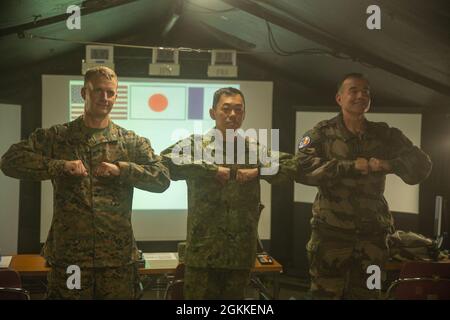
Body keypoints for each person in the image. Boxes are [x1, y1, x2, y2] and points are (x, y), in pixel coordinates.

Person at [0, 66, 170, 299]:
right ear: (83, 94)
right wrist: (59, 166)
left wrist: (122, 169)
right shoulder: (58, 136)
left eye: (111, 93)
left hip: (116, 261)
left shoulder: (130, 142)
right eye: (98, 91)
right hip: (71, 258)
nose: (105, 98)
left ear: (116, 96)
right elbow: (10, 161)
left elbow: (162, 179)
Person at [294, 73, 432, 299]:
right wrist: (349, 167)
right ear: (339, 98)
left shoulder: (385, 134)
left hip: (374, 239)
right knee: (324, 295)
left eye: (366, 91)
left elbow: (422, 165)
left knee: (371, 293)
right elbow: (300, 168)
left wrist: (390, 164)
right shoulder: (321, 133)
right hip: (331, 236)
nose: (361, 95)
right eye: (354, 90)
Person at [161, 87, 293, 299]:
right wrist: (210, 170)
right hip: (203, 252)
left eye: (238, 110)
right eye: (226, 109)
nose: (232, 115)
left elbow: (292, 164)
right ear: (213, 113)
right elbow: (164, 162)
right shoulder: (195, 145)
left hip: (239, 254)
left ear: (244, 114)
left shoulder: (253, 149)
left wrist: (257, 172)